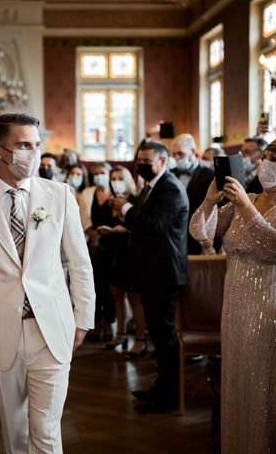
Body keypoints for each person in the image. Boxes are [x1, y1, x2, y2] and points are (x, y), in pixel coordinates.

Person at [0, 113, 95, 453]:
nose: (33, 152)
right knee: (13, 433)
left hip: (52, 331)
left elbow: (79, 263)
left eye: (36, 145)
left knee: (46, 432)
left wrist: (83, 319)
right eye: (23, 145)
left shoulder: (60, 195)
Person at [189, 137, 276, 453]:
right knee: (239, 384)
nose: (262, 165)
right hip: (234, 307)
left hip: (271, 309)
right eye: (262, 158)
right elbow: (201, 232)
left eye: (272, 160)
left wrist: (244, 206)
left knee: (267, 388)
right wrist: (209, 201)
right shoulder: (252, 198)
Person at [110, 141, 188, 414]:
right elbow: (143, 222)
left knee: (165, 339)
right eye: (139, 158)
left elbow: (154, 225)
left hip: (164, 272)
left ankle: (170, 397)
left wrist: (125, 209)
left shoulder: (169, 188)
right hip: (151, 271)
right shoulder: (151, 186)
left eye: (147, 159)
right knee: (158, 336)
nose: (141, 163)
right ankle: (160, 388)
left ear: (163, 161)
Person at [102, 166, 147, 358]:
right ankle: (120, 334)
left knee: (135, 298)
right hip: (114, 253)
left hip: (132, 253)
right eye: (114, 178)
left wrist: (124, 230)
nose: (117, 180)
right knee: (116, 294)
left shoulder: (136, 200)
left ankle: (139, 339)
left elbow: (142, 226)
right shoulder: (109, 202)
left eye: (121, 177)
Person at [79, 162, 115, 342]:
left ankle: (109, 322)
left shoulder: (116, 193)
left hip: (112, 246)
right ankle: (95, 323)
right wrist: (91, 234)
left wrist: (102, 236)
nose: (99, 176)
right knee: (93, 286)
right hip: (91, 244)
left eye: (103, 172)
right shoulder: (88, 193)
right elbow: (82, 216)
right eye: (96, 173)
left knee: (110, 287)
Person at [171, 134, 216, 254]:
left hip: (198, 235)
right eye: (173, 154)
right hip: (174, 234)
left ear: (192, 151)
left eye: (180, 154)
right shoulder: (170, 175)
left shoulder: (209, 175)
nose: (176, 158)